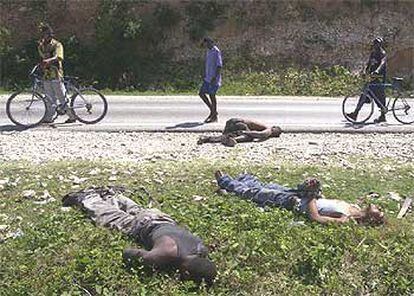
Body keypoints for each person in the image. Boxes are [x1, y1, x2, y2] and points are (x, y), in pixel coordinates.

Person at [62, 186, 217, 285]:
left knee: (135, 208)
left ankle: (112, 195)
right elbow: (129, 254)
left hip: (163, 218)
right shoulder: (166, 253)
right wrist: (160, 265)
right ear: (186, 272)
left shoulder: (200, 248)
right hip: (143, 225)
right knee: (109, 216)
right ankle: (88, 197)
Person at [215, 171, 385, 225]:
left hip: (295, 202)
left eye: (380, 213)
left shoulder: (345, 219)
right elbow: (325, 203)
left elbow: (315, 217)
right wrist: (314, 190)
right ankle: (243, 179)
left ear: (371, 219)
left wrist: (310, 195)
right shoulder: (354, 207)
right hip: (303, 195)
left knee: (254, 193)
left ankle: (225, 182)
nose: (380, 210)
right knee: (268, 186)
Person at [38, 23, 76, 124]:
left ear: (50, 35)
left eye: (47, 34)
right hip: (46, 74)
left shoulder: (57, 45)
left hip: (56, 73)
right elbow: (42, 57)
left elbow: (59, 57)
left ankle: (72, 116)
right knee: (49, 98)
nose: (45, 36)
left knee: (62, 97)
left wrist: (48, 61)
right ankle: (49, 117)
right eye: (43, 34)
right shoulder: (41, 46)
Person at [347, 37, 387, 123]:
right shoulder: (373, 53)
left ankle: (383, 116)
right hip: (372, 78)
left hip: (379, 79)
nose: (376, 45)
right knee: (364, 94)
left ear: (380, 44)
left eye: (377, 44)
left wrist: (377, 71)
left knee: (380, 98)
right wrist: (365, 72)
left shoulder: (382, 53)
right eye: (375, 44)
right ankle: (355, 113)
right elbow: (368, 64)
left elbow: (382, 63)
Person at [197, 118, 282, 147]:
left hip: (231, 122)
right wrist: (244, 132)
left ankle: (206, 138)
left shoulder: (263, 125)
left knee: (225, 136)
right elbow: (260, 135)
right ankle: (233, 140)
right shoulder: (268, 129)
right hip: (239, 123)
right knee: (250, 137)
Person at [199, 37, 223, 123]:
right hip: (207, 78)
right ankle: (213, 112)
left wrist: (215, 77)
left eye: (207, 43)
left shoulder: (216, 51)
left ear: (211, 42)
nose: (206, 45)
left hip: (213, 79)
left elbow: (219, 66)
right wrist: (204, 73)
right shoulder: (208, 51)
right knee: (201, 94)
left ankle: (214, 116)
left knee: (212, 96)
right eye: (205, 43)